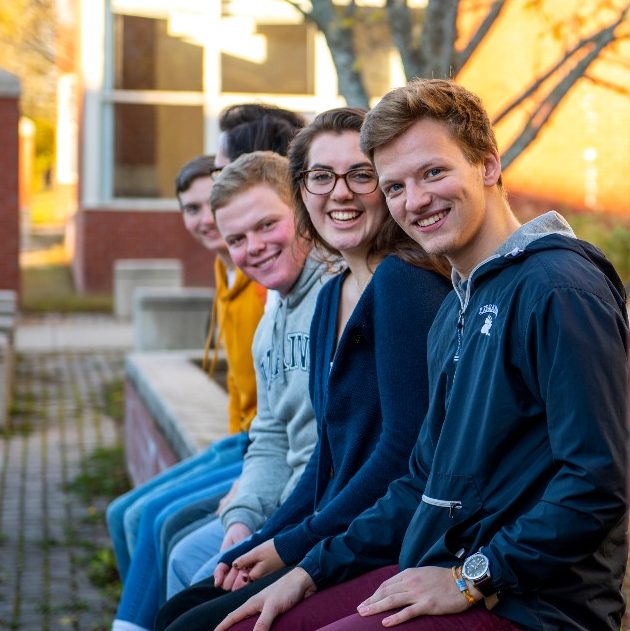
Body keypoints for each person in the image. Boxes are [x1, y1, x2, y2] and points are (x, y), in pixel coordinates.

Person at [205, 79, 628, 631]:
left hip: (537, 605)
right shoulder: (458, 305)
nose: (416, 200)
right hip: (445, 570)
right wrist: (308, 570)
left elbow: (599, 479)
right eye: (395, 186)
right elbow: (419, 481)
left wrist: (471, 578)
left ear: (488, 165)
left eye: (433, 172)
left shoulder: (557, 288)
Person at [154, 110, 451, 631]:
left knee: (191, 625)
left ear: (383, 186)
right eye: (321, 177)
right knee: (182, 608)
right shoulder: (332, 294)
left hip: (384, 540)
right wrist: (261, 539)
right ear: (302, 191)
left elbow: (402, 453)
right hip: (332, 526)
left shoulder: (404, 284)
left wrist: (295, 545)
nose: (340, 193)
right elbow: (328, 455)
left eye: (360, 175)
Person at [108, 106, 308, 631]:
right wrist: (245, 512)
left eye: (218, 176)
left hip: (290, 490)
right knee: (136, 516)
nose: (250, 245)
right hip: (253, 449)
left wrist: (261, 518)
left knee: (163, 527)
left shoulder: (311, 292)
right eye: (238, 236)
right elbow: (268, 425)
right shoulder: (263, 295)